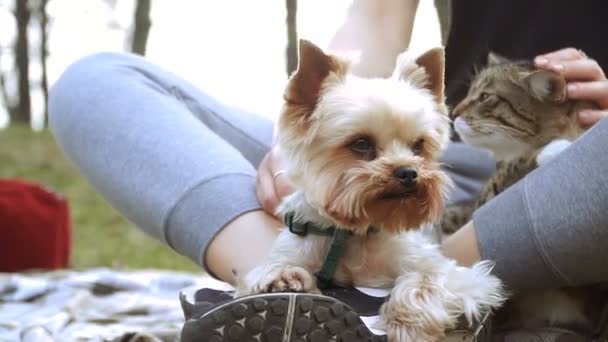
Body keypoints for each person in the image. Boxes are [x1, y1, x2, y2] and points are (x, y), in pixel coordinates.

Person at [49, 0, 608, 339]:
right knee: (98, 83)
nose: (398, 167)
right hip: (456, 153)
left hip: (564, 179)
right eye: (363, 146)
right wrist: (311, 132)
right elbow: (377, 17)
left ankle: (423, 283)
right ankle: (284, 285)